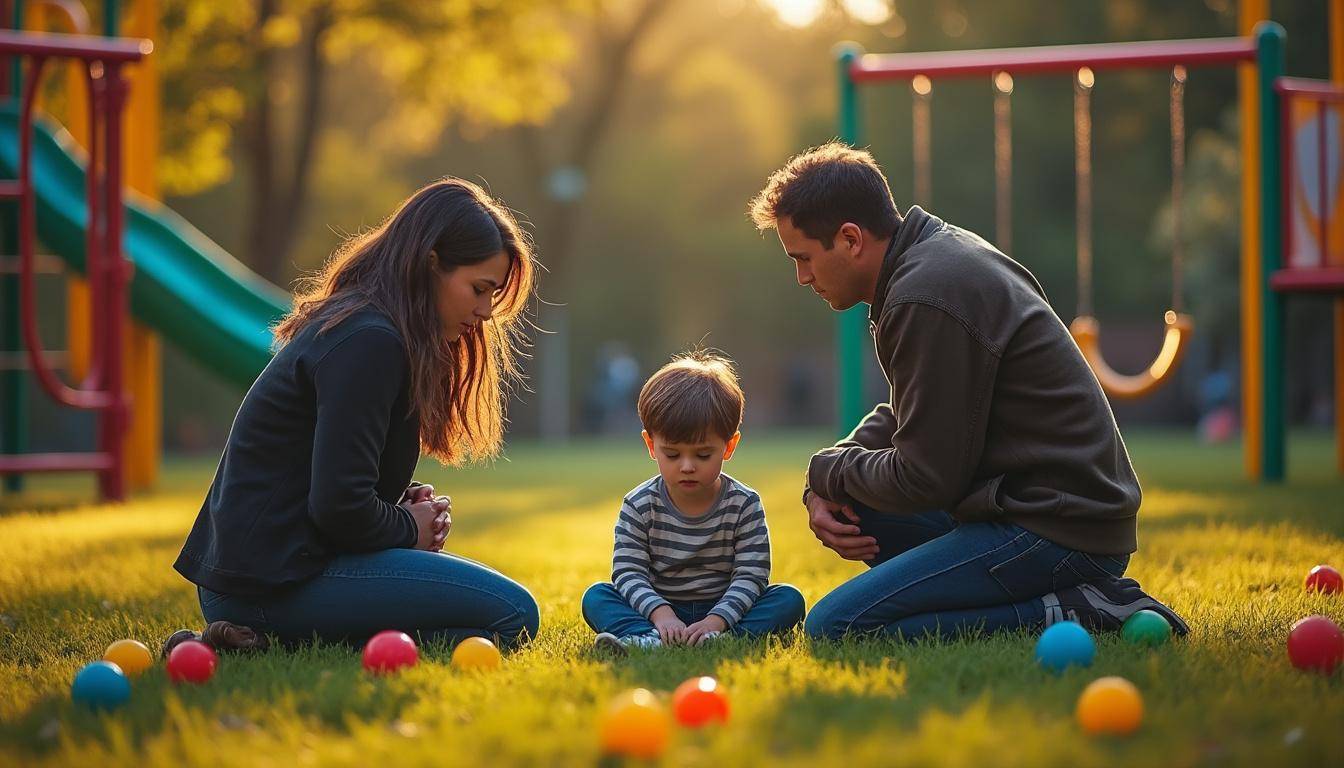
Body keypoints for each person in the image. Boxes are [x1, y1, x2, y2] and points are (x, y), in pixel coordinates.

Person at [748, 143, 1188, 641]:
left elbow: (923, 478)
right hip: (1033, 508)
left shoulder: (925, 293)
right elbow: (911, 411)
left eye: (804, 258)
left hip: (1060, 529)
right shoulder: (926, 259)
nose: (802, 277)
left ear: (850, 239)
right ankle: (1045, 596)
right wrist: (824, 480)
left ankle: (1079, 606)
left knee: (837, 626)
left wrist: (829, 470)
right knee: (858, 506)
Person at [171, 178, 541, 649]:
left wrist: (398, 504)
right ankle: (267, 634)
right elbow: (339, 509)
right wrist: (408, 527)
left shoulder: (374, 330)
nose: (486, 311)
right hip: (265, 586)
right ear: (430, 264)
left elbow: (329, 481)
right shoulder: (370, 341)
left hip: (268, 575)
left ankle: (262, 639)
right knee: (515, 614)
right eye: (479, 289)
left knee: (495, 622)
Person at [581, 351, 806, 653]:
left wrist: (716, 620)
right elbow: (629, 572)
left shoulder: (744, 504)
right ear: (651, 445)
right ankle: (648, 637)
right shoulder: (639, 505)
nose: (687, 466)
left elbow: (751, 575)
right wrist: (662, 615)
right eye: (672, 454)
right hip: (657, 609)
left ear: (729, 446)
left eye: (703, 455)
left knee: (788, 600)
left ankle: (723, 639)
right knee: (597, 597)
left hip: (725, 609)